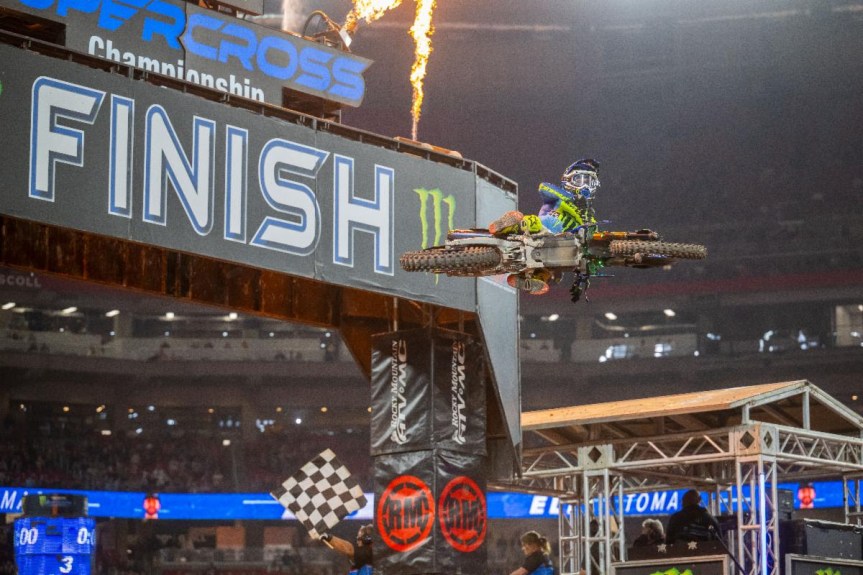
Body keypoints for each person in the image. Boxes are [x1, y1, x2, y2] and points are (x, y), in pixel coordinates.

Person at [487, 158, 601, 295]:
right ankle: (505, 225)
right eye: (579, 180)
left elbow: (592, 239)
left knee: (556, 274)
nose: (585, 186)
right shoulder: (561, 197)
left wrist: (590, 264)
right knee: (532, 223)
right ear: (568, 180)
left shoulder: (590, 217)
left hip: (559, 245)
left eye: (589, 182)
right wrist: (571, 200)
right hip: (543, 228)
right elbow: (544, 187)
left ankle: (527, 279)